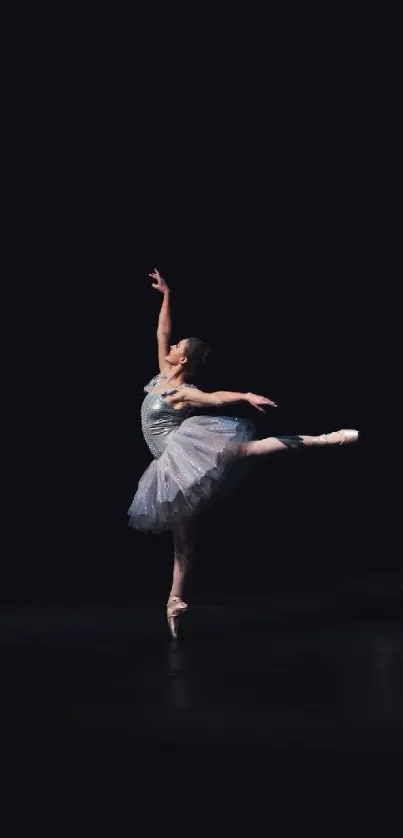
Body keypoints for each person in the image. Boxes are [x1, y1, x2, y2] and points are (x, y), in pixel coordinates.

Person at [128, 269, 359, 638]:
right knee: (183, 538)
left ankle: (325, 439)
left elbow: (213, 398)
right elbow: (161, 333)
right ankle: (174, 601)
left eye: (177, 348)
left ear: (183, 361)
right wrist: (167, 294)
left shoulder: (181, 392)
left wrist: (245, 395)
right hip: (167, 466)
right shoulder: (161, 375)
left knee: (249, 448)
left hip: (183, 453)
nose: (171, 348)